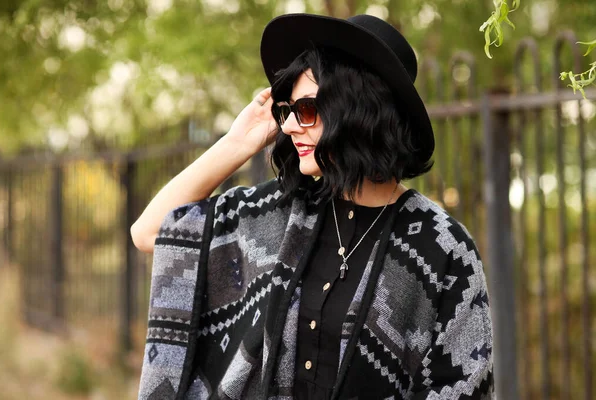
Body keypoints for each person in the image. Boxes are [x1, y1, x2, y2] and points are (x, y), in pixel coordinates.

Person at [132, 13, 494, 400]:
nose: (288, 127)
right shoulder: (274, 214)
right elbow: (150, 231)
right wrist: (237, 144)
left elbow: (462, 388)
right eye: (287, 112)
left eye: (305, 110)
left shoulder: (442, 248)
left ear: (357, 111)